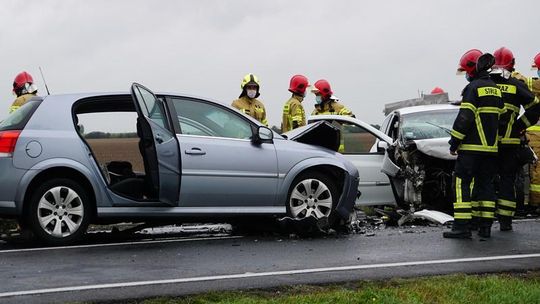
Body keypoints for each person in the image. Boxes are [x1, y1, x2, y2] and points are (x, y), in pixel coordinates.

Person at [443, 49, 504, 239]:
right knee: (486, 186)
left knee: (462, 185)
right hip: (491, 149)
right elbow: (501, 119)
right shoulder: (495, 88)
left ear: (472, 69)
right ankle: (485, 226)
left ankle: (461, 226)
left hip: (470, 150)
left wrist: (454, 142)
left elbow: (465, 118)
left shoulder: (473, 88)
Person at [490, 47, 540, 231]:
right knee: (507, 181)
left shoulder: (483, 85)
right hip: (510, 144)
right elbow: (535, 108)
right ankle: (505, 221)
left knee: (485, 180)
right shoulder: (515, 85)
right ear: (512, 64)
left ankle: (483, 223)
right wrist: (518, 126)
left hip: (487, 144)